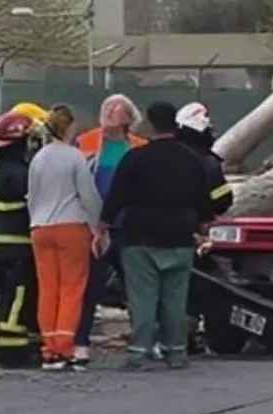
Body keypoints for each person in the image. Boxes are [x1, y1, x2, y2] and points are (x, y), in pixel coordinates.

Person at [95, 101, 224, 370]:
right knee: (175, 300)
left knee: (143, 298)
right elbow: (204, 199)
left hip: (140, 238)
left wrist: (103, 224)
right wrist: (203, 225)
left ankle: (139, 352)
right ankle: (176, 352)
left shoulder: (136, 158)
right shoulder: (191, 159)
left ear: (150, 125)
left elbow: (118, 196)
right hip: (179, 238)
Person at [27, 104, 103, 372]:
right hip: (71, 226)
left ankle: (48, 349)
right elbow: (88, 195)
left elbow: (32, 196)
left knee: (48, 288)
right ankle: (66, 347)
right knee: (72, 288)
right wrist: (98, 227)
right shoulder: (75, 157)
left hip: (40, 227)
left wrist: (34, 222)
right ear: (69, 127)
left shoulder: (38, 159)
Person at [74, 94, 148, 367]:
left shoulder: (140, 148)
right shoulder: (85, 142)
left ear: (129, 118)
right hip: (93, 227)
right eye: (105, 107)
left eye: (115, 109)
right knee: (90, 286)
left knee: (137, 287)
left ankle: (144, 341)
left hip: (128, 227)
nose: (107, 111)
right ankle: (80, 341)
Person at [174, 102, 234, 354]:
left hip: (155, 231)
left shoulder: (166, 155)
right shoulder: (208, 163)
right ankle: (188, 336)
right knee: (199, 286)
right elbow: (222, 200)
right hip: (194, 234)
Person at [0, 111, 39, 369]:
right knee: (19, 293)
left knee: (7, 291)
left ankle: (23, 340)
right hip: (20, 243)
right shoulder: (21, 173)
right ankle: (11, 348)